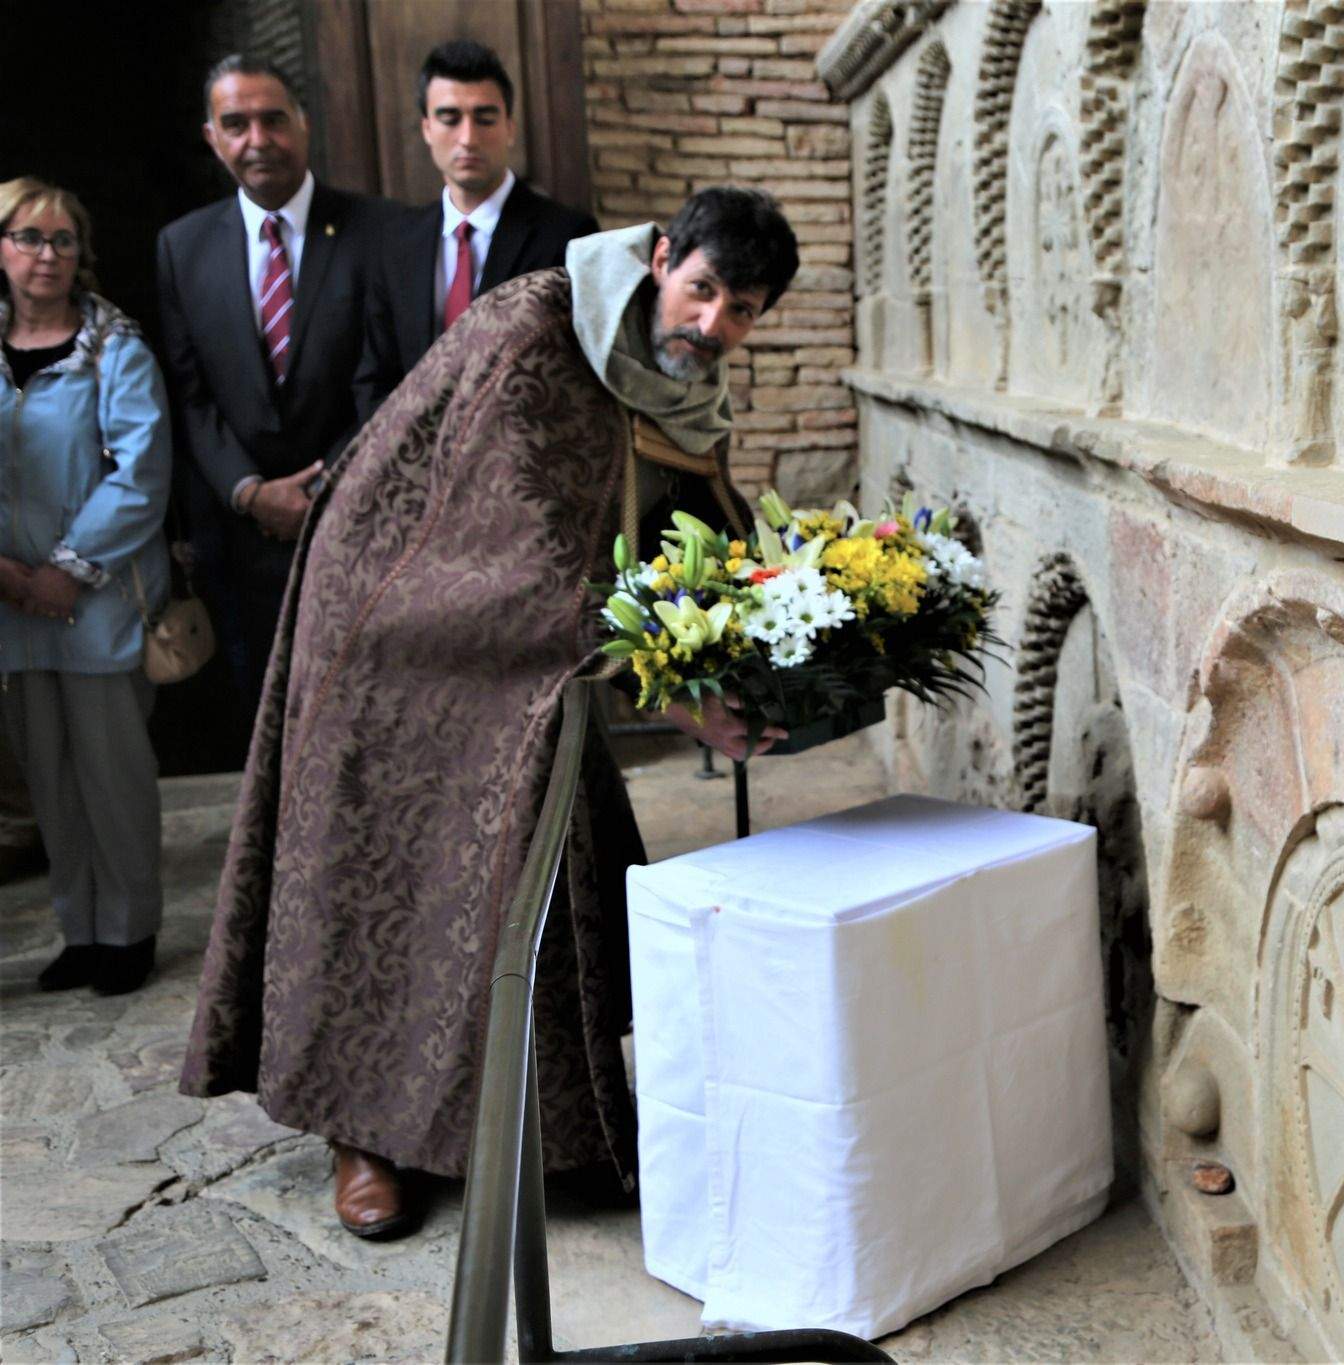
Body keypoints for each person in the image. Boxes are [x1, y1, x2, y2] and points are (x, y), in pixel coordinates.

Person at [180, 187, 799, 1239]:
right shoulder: (537, 329)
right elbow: (527, 535)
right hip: (391, 626)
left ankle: (551, 1125)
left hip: (518, 648)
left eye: (740, 311)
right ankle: (361, 1132)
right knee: (384, 874)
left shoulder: (677, 377)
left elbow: (685, 514)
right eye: (701, 293)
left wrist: (770, 623)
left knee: (524, 865)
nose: (711, 326)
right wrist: (673, 691)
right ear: (659, 258)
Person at [155, 56, 391, 740]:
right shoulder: (181, 247)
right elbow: (189, 392)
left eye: (273, 118)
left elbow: (394, 376)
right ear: (212, 137)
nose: (258, 138)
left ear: (304, 124)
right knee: (272, 732)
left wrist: (327, 486)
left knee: (369, 725)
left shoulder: (379, 231)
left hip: (358, 528)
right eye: (237, 123)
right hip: (243, 544)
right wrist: (250, 491)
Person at [0, 177, 172, 996]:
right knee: (50, 776)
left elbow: (141, 475)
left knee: (111, 772)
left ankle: (128, 929)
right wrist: (9, 576)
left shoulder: (115, 349)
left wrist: (65, 570)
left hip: (96, 597)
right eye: (29, 237)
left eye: (62, 240)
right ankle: (80, 930)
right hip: (12, 604)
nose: (46, 255)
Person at [354, 38, 598, 422]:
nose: (468, 138)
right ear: (427, 129)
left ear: (510, 128)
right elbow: (375, 377)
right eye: (450, 119)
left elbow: (577, 376)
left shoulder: (567, 235)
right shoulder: (396, 242)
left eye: (484, 118)